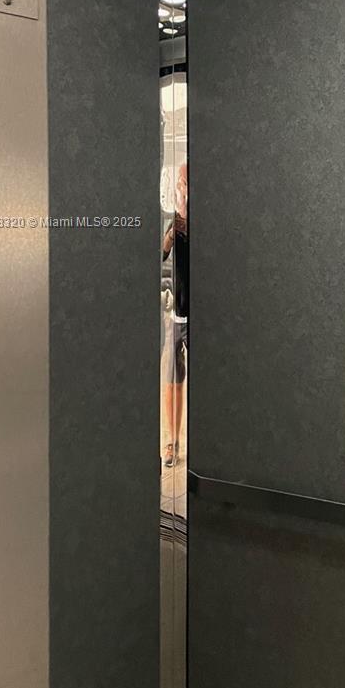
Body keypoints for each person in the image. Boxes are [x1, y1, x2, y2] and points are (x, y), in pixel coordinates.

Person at [161, 161, 188, 468]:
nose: (183, 189)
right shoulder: (173, 222)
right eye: (181, 183)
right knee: (172, 379)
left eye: (186, 183)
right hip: (175, 316)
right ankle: (172, 442)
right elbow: (161, 255)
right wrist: (172, 233)